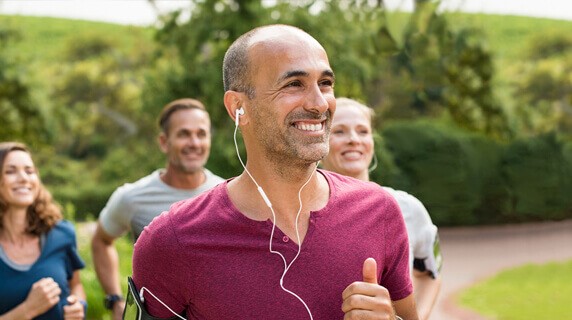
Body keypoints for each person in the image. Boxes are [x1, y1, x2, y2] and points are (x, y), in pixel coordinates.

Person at [132, 24, 418, 319]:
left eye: (325, 83)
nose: (319, 103)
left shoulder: (379, 210)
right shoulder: (171, 241)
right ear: (238, 107)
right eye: (294, 84)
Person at [91, 98, 225, 319]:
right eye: (184, 134)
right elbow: (101, 241)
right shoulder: (132, 198)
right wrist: (114, 299)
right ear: (164, 142)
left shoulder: (226, 194)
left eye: (201, 134)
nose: (194, 142)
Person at [320, 97, 443, 320]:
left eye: (363, 131)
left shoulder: (408, 208)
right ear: (320, 142)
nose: (353, 140)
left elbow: (430, 273)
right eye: (339, 132)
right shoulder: (301, 213)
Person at [0, 142, 86, 319]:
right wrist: (28, 310)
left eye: (29, 171)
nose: (23, 178)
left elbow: (76, 285)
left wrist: (78, 305)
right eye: (10, 171)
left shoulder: (62, 233)